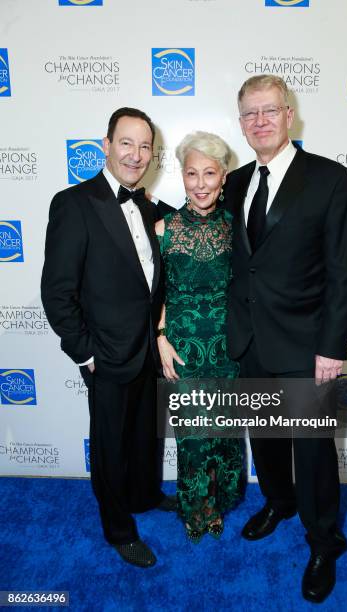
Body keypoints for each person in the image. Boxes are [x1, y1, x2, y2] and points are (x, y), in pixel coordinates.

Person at [224, 76, 347, 603]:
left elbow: (344, 272)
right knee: (266, 437)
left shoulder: (330, 179)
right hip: (250, 340)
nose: (259, 121)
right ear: (240, 124)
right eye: (249, 114)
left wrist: (333, 346)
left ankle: (325, 539)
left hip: (307, 343)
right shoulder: (234, 182)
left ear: (289, 115)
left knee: (314, 450)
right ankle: (279, 503)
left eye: (269, 111)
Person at [41, 107, 175, 568]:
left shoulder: (155, 208)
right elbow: (57, 292)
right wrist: (85, 352)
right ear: (106, 145)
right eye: (126, 143)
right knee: (110, 444)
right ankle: (118, 527)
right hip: (105, 353)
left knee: (143, 433)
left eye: (144, 146)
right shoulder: (73, 203)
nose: (136, 155)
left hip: (147, 351)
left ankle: (143, 494)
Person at [155, 131, 243, 543]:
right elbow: (156, 292)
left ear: (223, 176)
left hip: (227, 347)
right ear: (183, 176)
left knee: (223, 433)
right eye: (193, 173)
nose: (201, 183)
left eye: (210, 173)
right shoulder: (163, 228)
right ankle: (195, 509)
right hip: (183, 347)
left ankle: (218, 504)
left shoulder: (237, 226)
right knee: (191, 435)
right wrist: (160, 336)